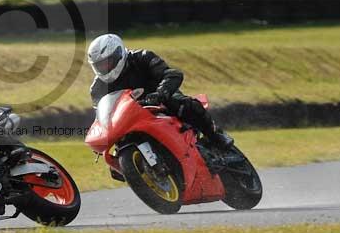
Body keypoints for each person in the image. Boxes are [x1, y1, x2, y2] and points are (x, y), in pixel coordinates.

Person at [87, 33, 235, 154]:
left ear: (118, 54)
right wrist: (101, 136)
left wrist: (160, 93)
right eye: (99, 65)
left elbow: (172, 74)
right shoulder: (97, 88)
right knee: (117, 153)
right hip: (129, 117)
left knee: (185, 106)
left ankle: (216, 136)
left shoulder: (142, 57)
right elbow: (101, 116)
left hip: (160, 99)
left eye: (107, 62)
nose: (104, 68)